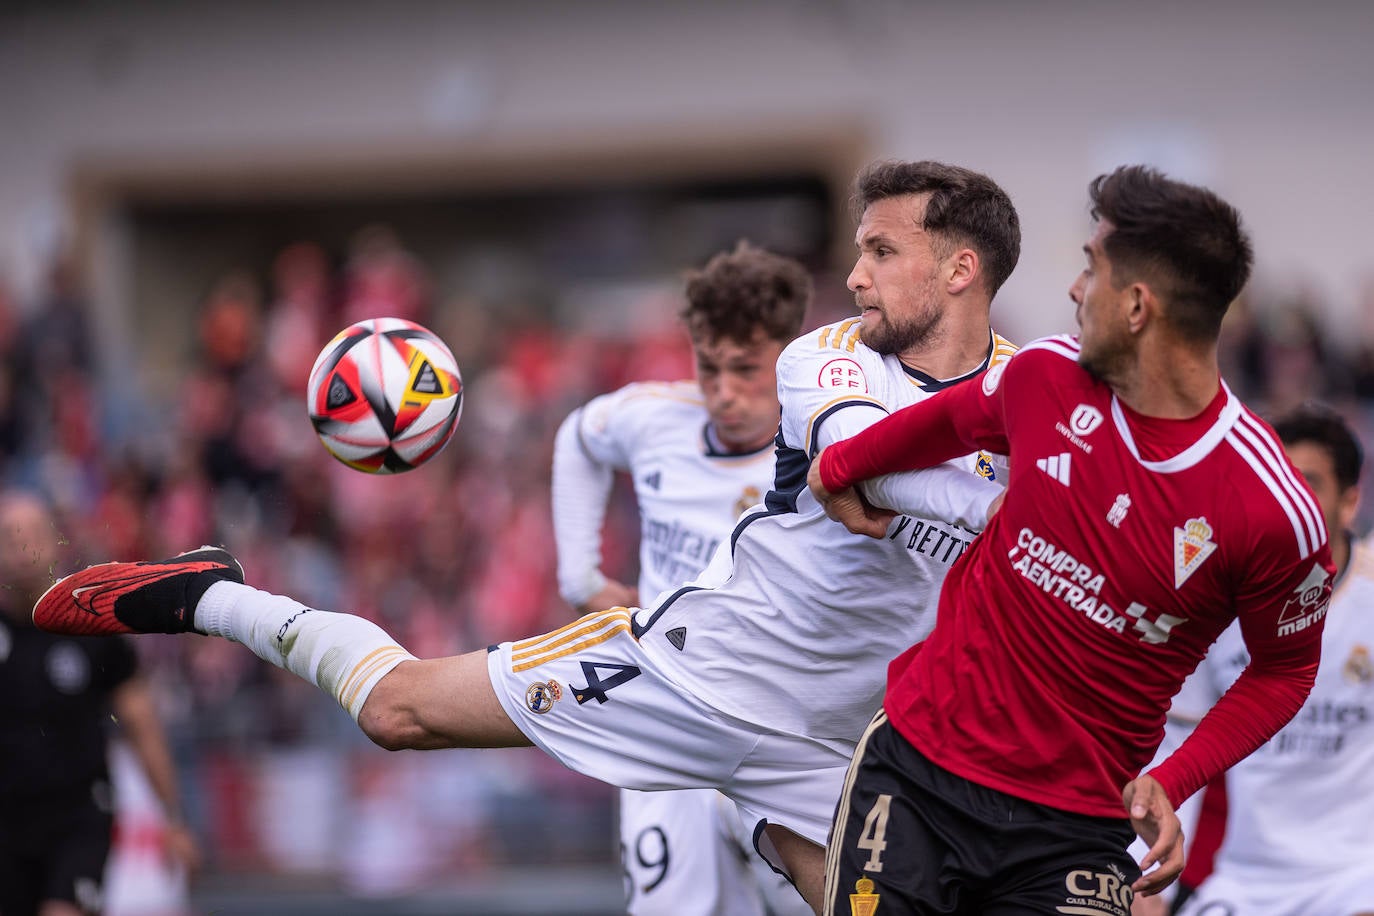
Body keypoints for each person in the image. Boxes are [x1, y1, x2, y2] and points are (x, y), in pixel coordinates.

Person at [32, 159, 1020, 911]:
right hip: (703, 670)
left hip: (838, 740)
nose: (851, 276)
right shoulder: (826, 359)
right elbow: (870, 470)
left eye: (881, 252)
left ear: (960, 266)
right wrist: (586, 571)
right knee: (399, 711)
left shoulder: (1032, 394)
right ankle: (213, 595)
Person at [809, 165, 1332, 915]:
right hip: (917, 772)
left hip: (1077, 832)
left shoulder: (1272, 508)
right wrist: (840, 467)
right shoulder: (1046, 374)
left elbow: (1284, 673)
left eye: (1092, 268)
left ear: (1138, 305)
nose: (1075, 290)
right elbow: (954, 421)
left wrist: (1174, 777)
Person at [551, 241, 812, 915]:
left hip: (784, 734)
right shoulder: (650, 417)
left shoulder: (827, 450)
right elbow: (579, 439)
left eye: (746, 370)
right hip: (664, 725)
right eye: (710, 367)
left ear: (789, 359)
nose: (723, 392)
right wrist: (580, 576)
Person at [1165, 405, 1373, 916]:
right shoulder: (1213, 598)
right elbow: (1178, 742)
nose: (1291, 500)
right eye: (1279, 481)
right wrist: (1157, 888)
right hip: (1242, 881)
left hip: (1356, 876)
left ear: (1350, 504)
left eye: (1310, 483)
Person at [0, 490, 200, 916]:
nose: (20, 546)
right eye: (8, 536)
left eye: (30, 533)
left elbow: (141, 723)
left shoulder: (90, 624)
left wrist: (173, 818)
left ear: (54, 542)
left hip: (77, 816)